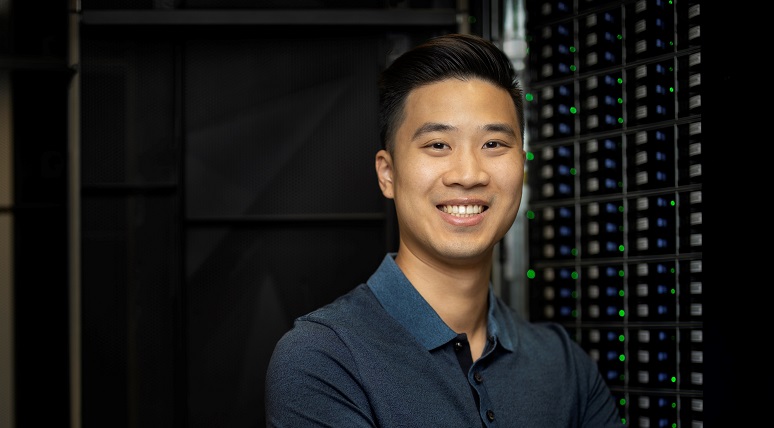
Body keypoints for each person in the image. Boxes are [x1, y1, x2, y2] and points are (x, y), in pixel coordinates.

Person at [265, 33, 622, 427]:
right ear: (388, 173)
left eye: (493, 143)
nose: (468, 175)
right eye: (438, 144)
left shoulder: (563, 365)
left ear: (523, 166)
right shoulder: (325, 359)